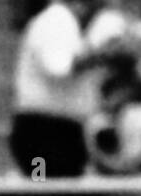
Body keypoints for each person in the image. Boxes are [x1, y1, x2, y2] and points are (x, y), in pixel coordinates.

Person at [10, 0, 114, 177]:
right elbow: (58, 68)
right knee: (41, 185)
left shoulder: (70, 24)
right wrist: (102, 54)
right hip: (41, 133)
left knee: (61, 193)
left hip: (65, 131)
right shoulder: (55, 21)